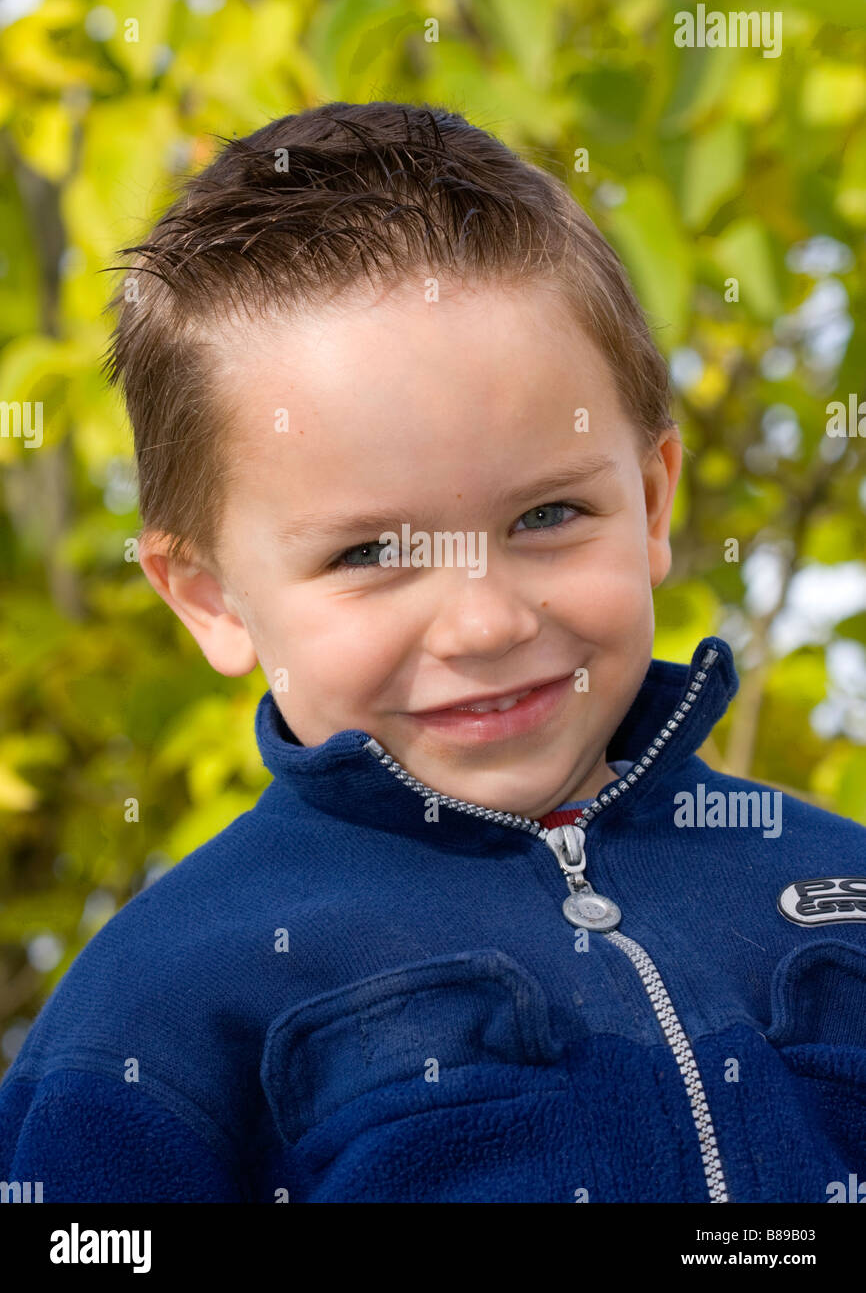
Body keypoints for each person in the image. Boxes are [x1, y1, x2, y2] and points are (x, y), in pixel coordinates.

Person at [2, 101, 865, 1204]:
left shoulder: (828, 883)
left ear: (649, 501)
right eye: (371, 551)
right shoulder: (159, 1012)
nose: (485, 622)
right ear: (212, 598)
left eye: (546, 517)